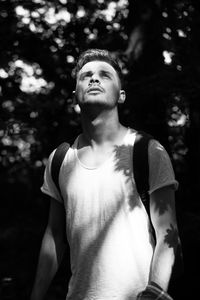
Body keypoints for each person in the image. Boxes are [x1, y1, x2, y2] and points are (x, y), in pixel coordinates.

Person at [30, 49, 181, 300]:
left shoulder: (147, 150)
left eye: (104, 75)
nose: (94, 79)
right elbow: (54, 235)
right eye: (86, 75)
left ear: (121, 96)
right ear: (75, 95)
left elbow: (169, 233)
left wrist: (154, 292)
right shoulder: (60, 159)